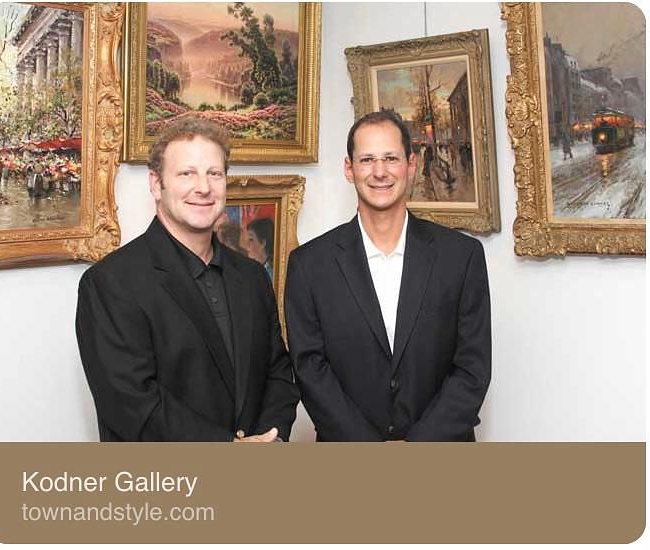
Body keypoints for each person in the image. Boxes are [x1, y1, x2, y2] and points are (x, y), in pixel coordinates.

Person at [76, 117, 299, 442]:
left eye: (214, 173)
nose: (204, 187)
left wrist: (272, 439)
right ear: (156, 184)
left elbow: (278, 372)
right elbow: (135, 406)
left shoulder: (252, 277)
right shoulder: (110, 284)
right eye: (187, 174)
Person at [284, 110, 491, 442]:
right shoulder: (308, 265)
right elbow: (310, 370)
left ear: (411, 165)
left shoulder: (461, 257)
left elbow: (472, 368)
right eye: (367, 160)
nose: (379, 172)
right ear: (349, 169)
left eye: (391, 158)